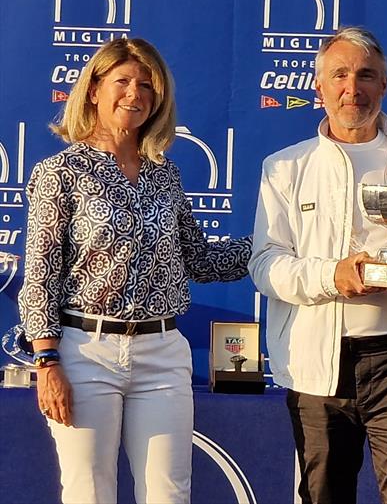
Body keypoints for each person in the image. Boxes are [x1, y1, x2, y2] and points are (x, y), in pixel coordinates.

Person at [18, 38, 252, 504]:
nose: (135, 93)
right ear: (93, 91)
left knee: (170, 494)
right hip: (86, 353)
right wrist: (47, 362)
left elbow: (200, 260)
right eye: (122, 81)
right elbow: (41, 274)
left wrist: (275, 245)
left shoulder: (165, 175)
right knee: (89, 494)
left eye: (147, 85)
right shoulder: (59, 172)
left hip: (162, 354)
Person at [249, 26, 387, 504]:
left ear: (384, 85)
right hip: (318, 365)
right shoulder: (284, 167)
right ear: (320, 87)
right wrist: (334, 276)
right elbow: (266, 264)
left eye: (366, 75)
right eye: (341, 75)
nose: (354, 88)